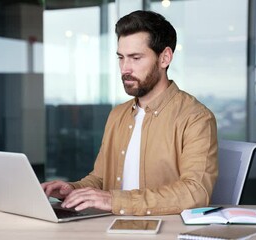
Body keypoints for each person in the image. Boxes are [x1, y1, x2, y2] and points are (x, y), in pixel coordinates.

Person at [41, 10, 218, 216]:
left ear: (165, 58)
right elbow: (100, 179)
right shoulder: (118, 114)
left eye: (135, 58)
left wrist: (115, 200)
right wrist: (73, 190)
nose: (125, 68)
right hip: (110, 225)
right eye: (121, 58)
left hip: (163, 230)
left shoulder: (196, 118)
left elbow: (195, 193)